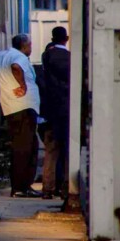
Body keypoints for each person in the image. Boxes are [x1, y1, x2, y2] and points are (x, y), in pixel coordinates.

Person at [0, 33, 42, 198]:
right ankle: (21, 188)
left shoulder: (3, 55)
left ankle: (21, 186)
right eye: (30, 45)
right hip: (23, 107)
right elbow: (16, 67)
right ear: (25, 46)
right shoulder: (18, 57)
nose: (31, 48)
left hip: (12, 108)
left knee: (25, 146)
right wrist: (22, 85)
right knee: (25, 148)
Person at [39, 26, 71, 200]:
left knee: (51, 151)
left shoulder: (46, 56)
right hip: (67, 110)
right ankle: (66, 188)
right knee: (68, 151)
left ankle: (47, 188)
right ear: (66, 39)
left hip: (51, 111)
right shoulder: (70, 58)